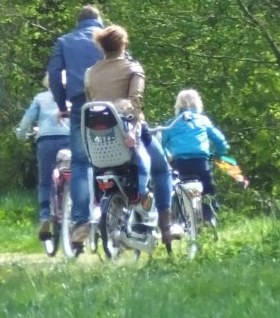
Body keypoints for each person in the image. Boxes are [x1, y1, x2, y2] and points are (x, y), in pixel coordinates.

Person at [82, 24, 173, 252]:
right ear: (124, 45)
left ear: (102, 46)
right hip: (129, 136)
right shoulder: (133, 69)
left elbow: (92, 103)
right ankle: (166, 227)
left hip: (100, 142)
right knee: (163, 170)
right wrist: (132, 128)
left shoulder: (90, 73)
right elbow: (136, 102)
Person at [47, 5, 104, 250]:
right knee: (112, 159)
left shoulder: (65, 41)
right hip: (110, 106)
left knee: (81, 163)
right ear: (99, 20)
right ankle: (113, 212)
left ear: (77, 21)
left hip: (81, 105)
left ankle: (81, 223)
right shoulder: (109, 37)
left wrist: (62, 103)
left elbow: (54, 74)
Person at [158, 88, 230, 224]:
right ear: (197, 103)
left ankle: (178, 216)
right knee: (208, 187)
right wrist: (218, 154)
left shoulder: (171, 123)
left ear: (178, 105)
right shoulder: (203, 120)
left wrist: (167, 156)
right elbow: (220, 141)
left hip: (179, 163)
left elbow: (161, 145)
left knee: (176, 186)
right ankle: (209, 215)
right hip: (200, 162)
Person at [14, 74, 71, 240]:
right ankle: (73, 211)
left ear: (48, 83)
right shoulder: (73, 99)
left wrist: (21, 134)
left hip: (45, 141)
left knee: (45, 181)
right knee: (73, 174)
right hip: (68, 140)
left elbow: (27, 119)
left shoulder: (40, 98)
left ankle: (45, 216)